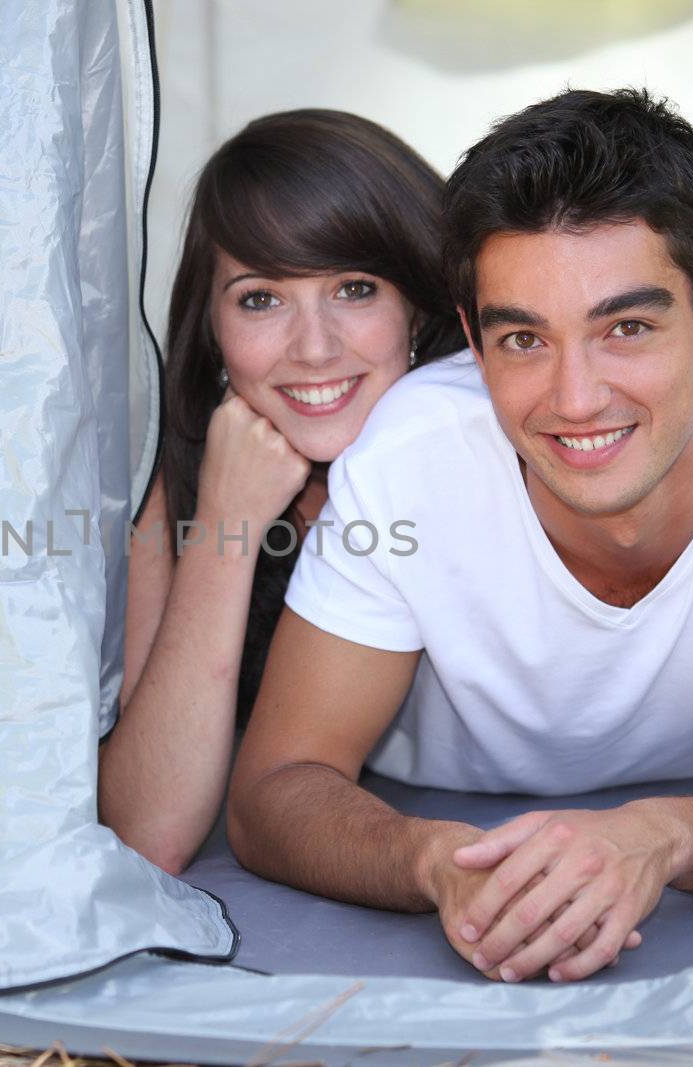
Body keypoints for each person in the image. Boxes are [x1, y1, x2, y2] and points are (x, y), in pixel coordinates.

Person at [225, 88, 693, 986]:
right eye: (524, 338)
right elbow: (272, 791)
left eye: (627, 327)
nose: (575, 398)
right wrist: (437, 862)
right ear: (470, 340)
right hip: (446, 746)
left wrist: (666, 835)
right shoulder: (409, 447)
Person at [97, 110, 465, 875]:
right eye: (261, 298)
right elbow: (148, 829)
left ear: (418, 308)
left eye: (355, 288)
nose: (315, 347)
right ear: (213, 331)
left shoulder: (493, 434)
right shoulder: (184, 463)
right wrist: (226, 528)